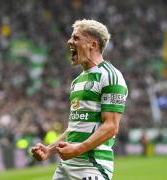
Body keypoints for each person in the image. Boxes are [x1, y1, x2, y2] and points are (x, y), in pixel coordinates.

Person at [31, 19, 128, 180]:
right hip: (66, 166)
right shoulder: (77, 81)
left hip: (92, 166)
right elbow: (75, 128)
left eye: (76, 38)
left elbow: (111, 126)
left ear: (93, 44)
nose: (69, 41)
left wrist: (78, 149)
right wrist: (49, 150)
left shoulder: (110, 76)